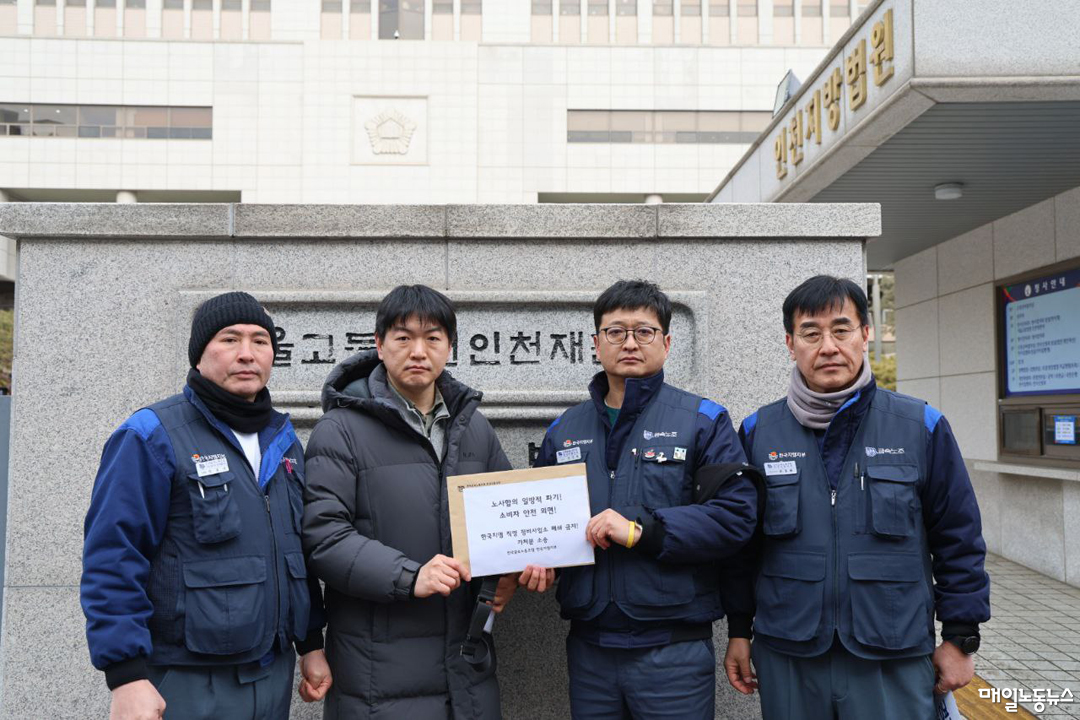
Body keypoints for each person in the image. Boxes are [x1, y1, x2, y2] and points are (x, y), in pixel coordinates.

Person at [722, 275, 991, 720]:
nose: (828, 346)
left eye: (841, 329)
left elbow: (959, 537)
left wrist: (960, 637)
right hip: (790, 651)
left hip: (893, 651)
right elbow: (741, 548)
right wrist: (738, 629)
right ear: (790, 344)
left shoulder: (920, 426)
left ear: (866, 334)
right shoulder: (757, 432)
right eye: (811, 333)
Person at [81, 291, 330, 720]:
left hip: (271, 673)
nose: (247, 354)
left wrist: (310, 645)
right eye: (229, 340)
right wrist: (126, 676)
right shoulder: (151, 434)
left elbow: (295, 552)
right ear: (200, 354)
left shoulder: (283, 441)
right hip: (187, 676)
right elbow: (113, 556)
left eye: (260, 341)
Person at [531, 279, 758, 720]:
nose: (629, 342)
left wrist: (641, 531)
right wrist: (541, 560)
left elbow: (735, 517)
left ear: (667, 342)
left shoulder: (704, 421)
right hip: (590, 646)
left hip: (673, 648)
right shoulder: (563, 430)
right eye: (616, 332)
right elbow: (545, 520)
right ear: (596, 343)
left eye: (644, 331)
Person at [302, 284, 516, 719]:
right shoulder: (340, 430)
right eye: (403, 338)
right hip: (377, 676)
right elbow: (323, 537)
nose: (419, 350)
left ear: (449, 347)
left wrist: (515, 568)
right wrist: (409, 576)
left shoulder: (474, 428)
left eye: (433, 338)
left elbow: (509, 516)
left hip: (467, 669)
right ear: (379, 346)